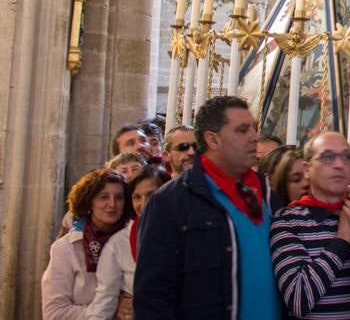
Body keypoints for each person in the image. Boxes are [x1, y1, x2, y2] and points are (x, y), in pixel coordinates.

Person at [134, 96, 281, 319]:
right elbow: (153, 295)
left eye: (254, 128)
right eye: (242, 130)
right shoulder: (171, 202)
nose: (254, 137)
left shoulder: (269, 192)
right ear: (213, 140)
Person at [270, 131, 350, 319]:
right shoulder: (288, 220)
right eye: (328, 157)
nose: (339, 164)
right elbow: (299, 300)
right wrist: (343, 236)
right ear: (307, 168)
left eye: (347, 157)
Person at [42, 168, 129, 318]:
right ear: (89, 202)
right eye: (104, 197)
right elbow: (54, 312)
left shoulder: (131, 242)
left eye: (119, 197)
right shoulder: (66, 248)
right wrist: (109, 309)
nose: (112, 204)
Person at [87, 165, 170, 320]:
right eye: (136, 197)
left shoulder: (185, 233)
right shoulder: (119, 243)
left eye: (151, 195)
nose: (143, 205)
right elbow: (104, 299)